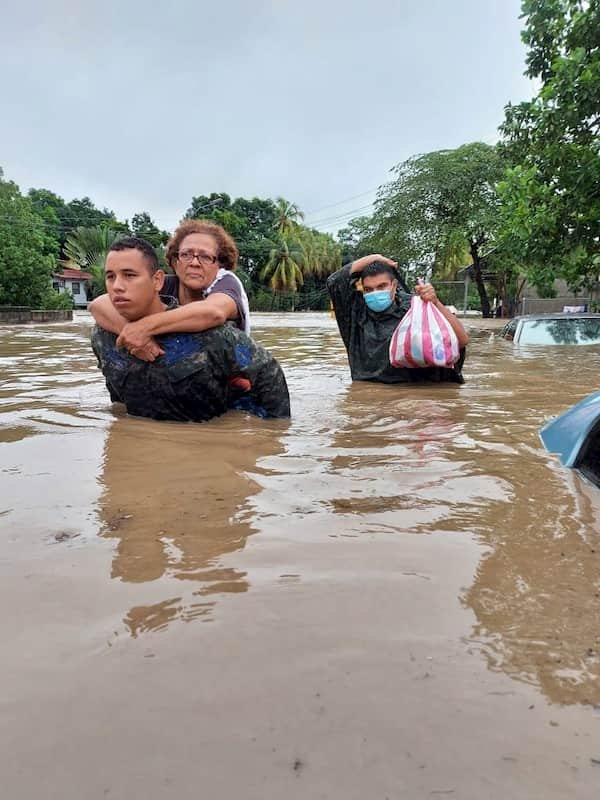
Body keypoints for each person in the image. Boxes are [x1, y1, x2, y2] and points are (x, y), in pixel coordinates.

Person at [91, 237, 290, 421]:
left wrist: (270, 436)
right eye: (110, 277)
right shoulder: (102, 336)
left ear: (157, 281)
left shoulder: (213, 335)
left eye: (129, 275)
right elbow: (117, 399)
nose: (117, 286)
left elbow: (269, 373)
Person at [89, 219, 250, 362]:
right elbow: (99, 304)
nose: (194, 263)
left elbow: (213, 312)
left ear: (220, 265)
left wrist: (143, 327)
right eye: (186, 255)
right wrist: (130, 334)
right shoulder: (162, 283)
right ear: (175, 261)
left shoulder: (227, 283)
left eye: (205, 257)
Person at [327, 253, 469, 384]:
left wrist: (435, 303)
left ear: (394, 285)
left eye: (382, 286)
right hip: (371, 392)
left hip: (416, 395)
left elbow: (461, 341)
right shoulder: (355, 314)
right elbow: (334, 281)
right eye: (368, 289)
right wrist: (374, 258)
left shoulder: (415, 308)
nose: (375, 293)